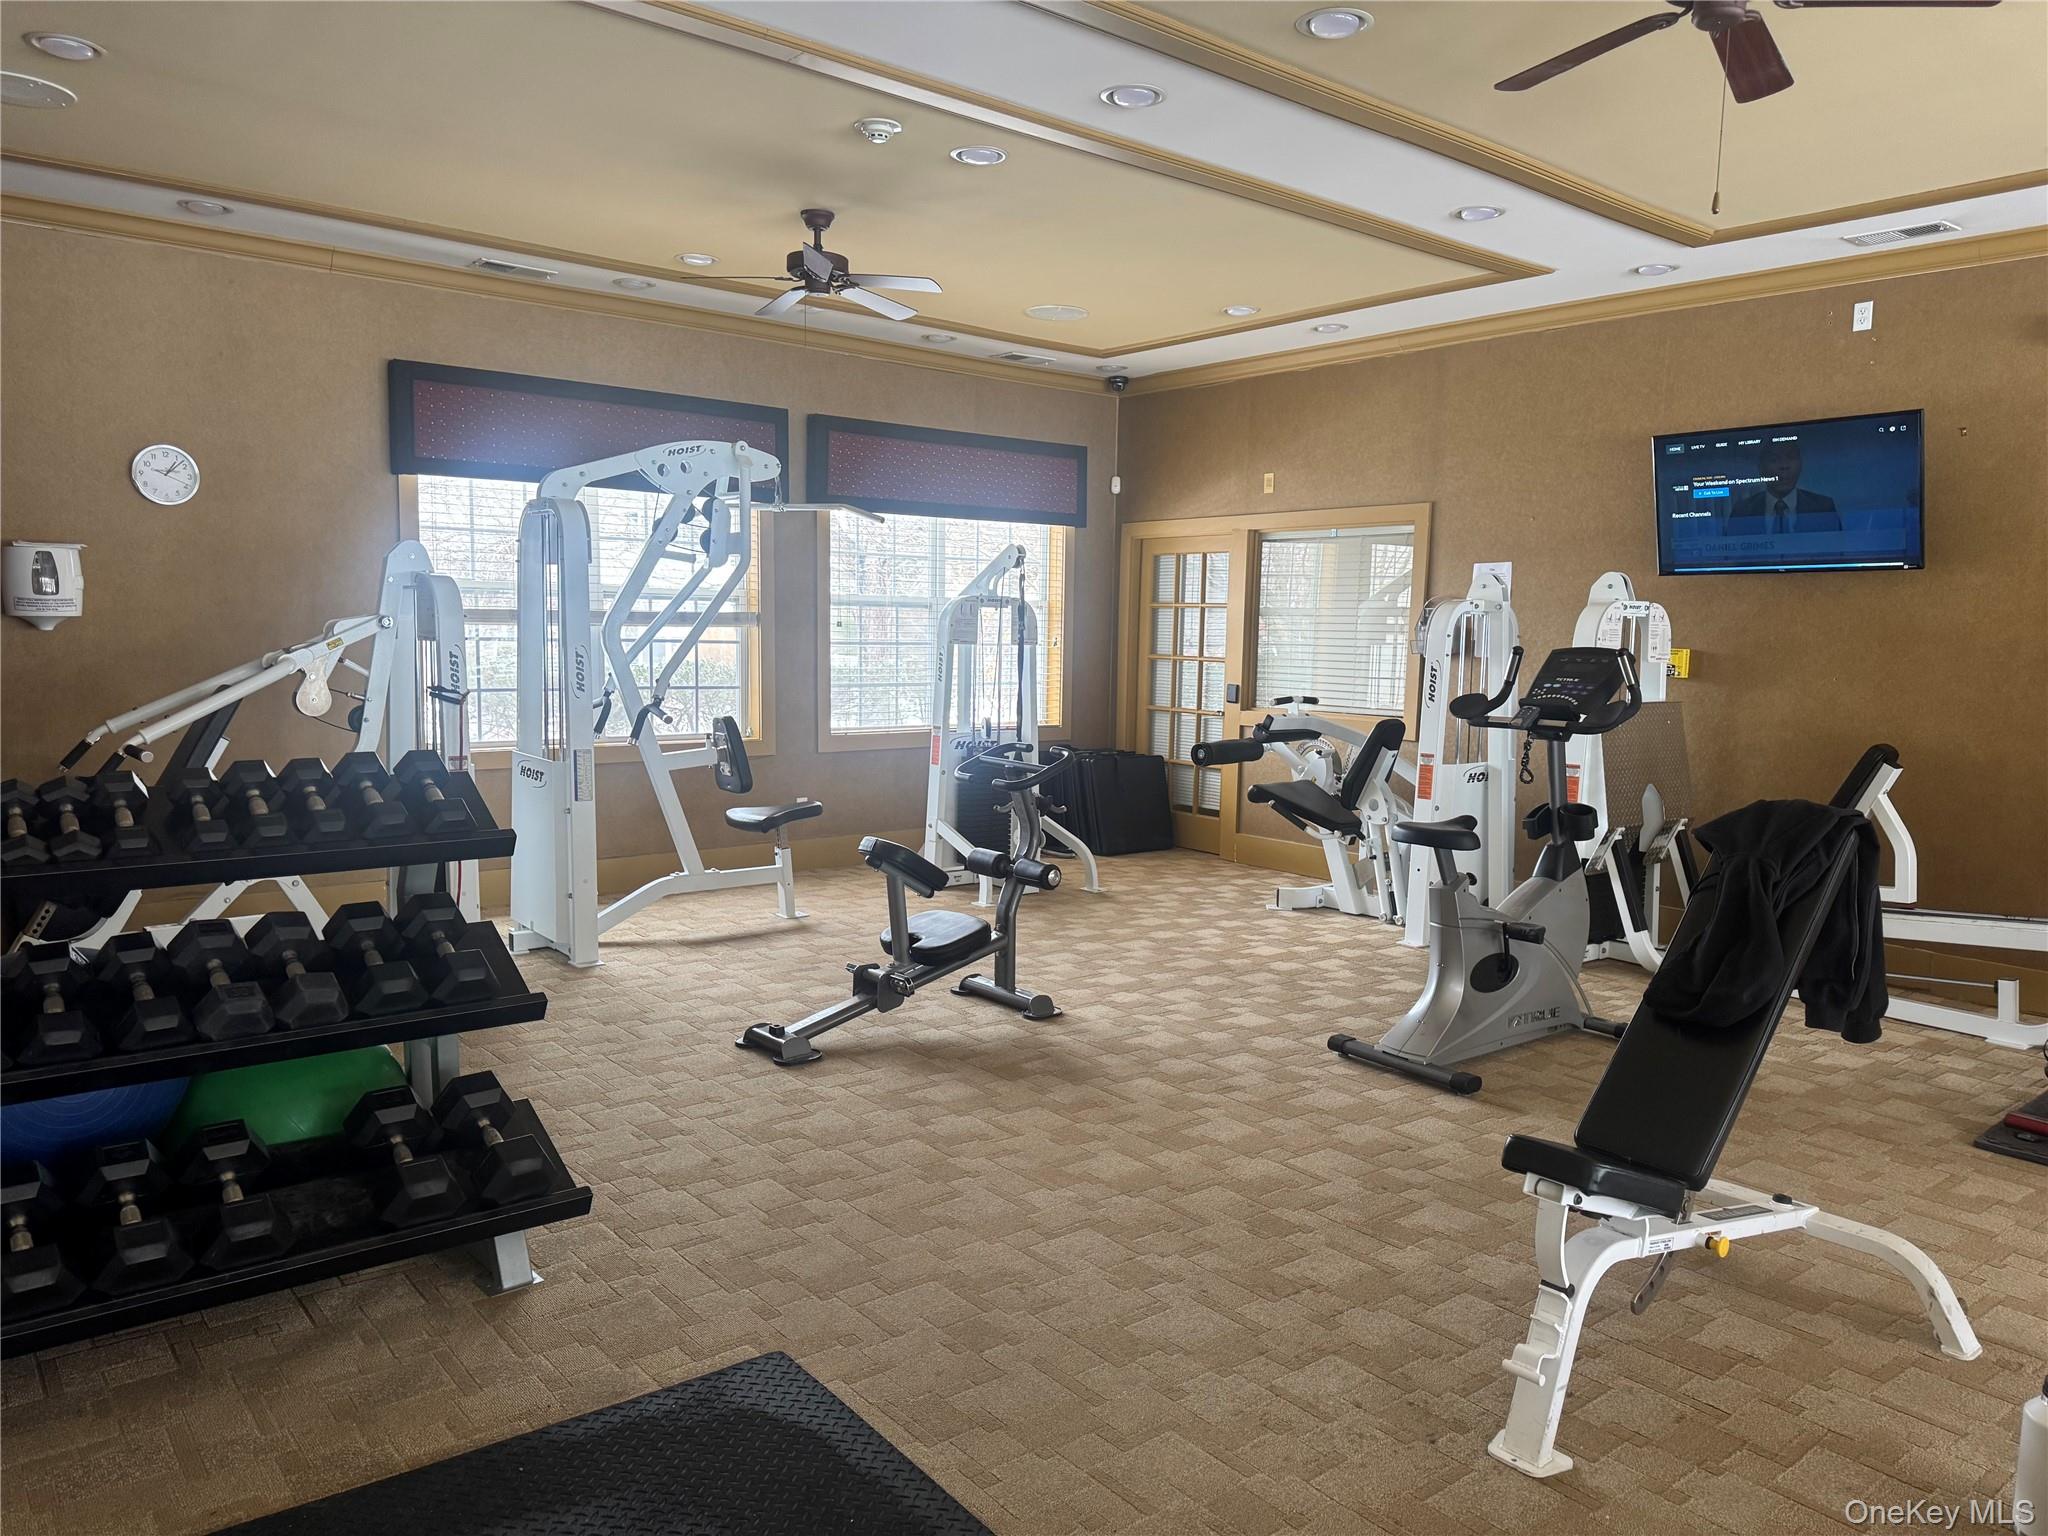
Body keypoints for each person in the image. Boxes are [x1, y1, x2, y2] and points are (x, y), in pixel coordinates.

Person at [1727, 440, 1840, 534]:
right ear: (1760, 468)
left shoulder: (1823, 507)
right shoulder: (1741, 511)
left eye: (1791, 458)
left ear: (1801, 464)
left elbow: (1839, 551)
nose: (1784, 466)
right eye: (1774, 460)